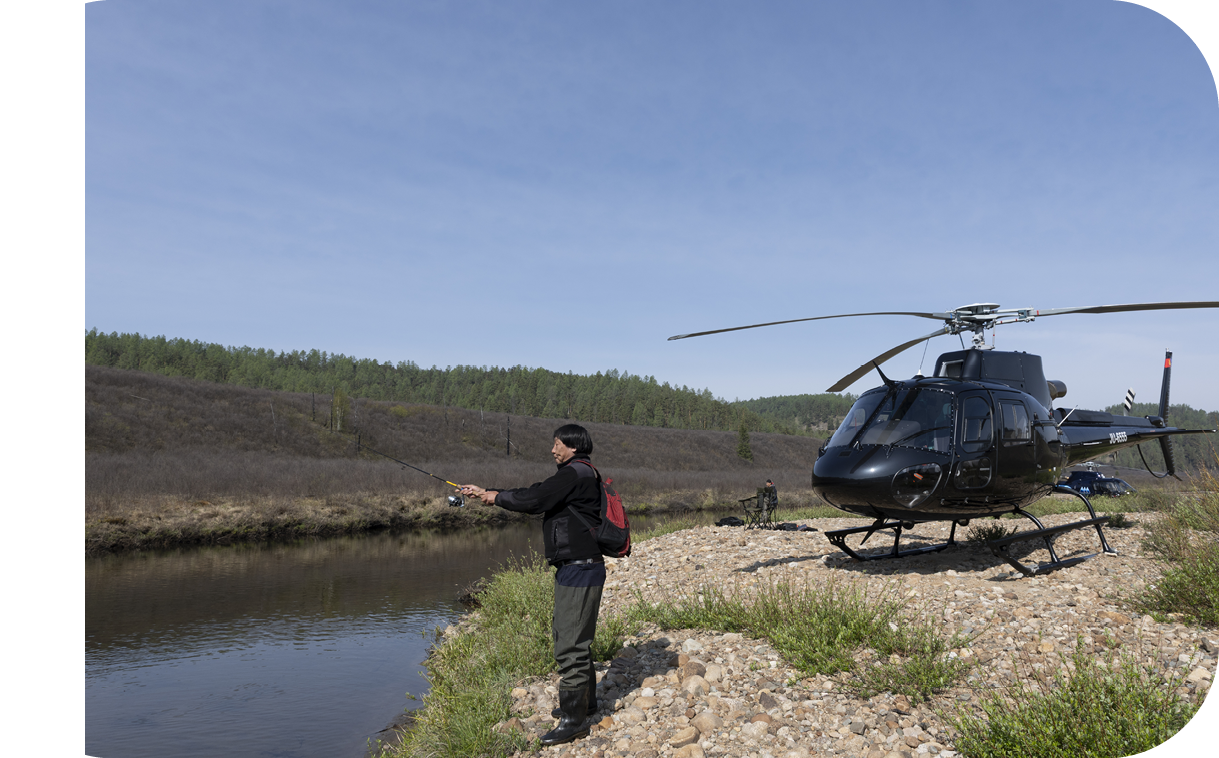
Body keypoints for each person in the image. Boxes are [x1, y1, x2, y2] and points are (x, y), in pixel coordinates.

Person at [459, 424, 604, 746]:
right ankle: (587, 704)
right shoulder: (578, 473)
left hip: (580, 569)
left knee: (570, 644)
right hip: (577, 567)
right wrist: (489, 493)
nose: (553, 450)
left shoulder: (575, 473)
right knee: (573, 635)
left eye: (557, 445)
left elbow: (535, 499)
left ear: (574, 446)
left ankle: (573, 721)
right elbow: (534, 491)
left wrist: (496, 497)